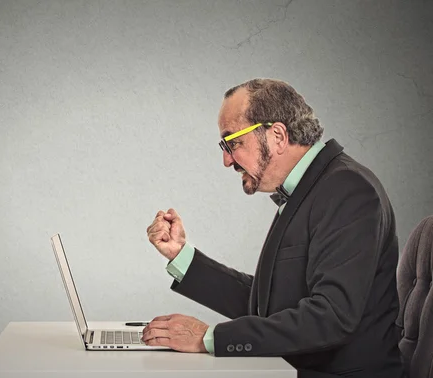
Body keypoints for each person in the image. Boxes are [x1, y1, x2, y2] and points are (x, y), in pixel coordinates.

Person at [143, 79, 404, 378]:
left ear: (278, 135)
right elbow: (268, 304)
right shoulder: (314, 188)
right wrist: (181, 256)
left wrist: (209, 338)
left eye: (233, 143)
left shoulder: (347, 189)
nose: (227, 160)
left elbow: (331, 318)